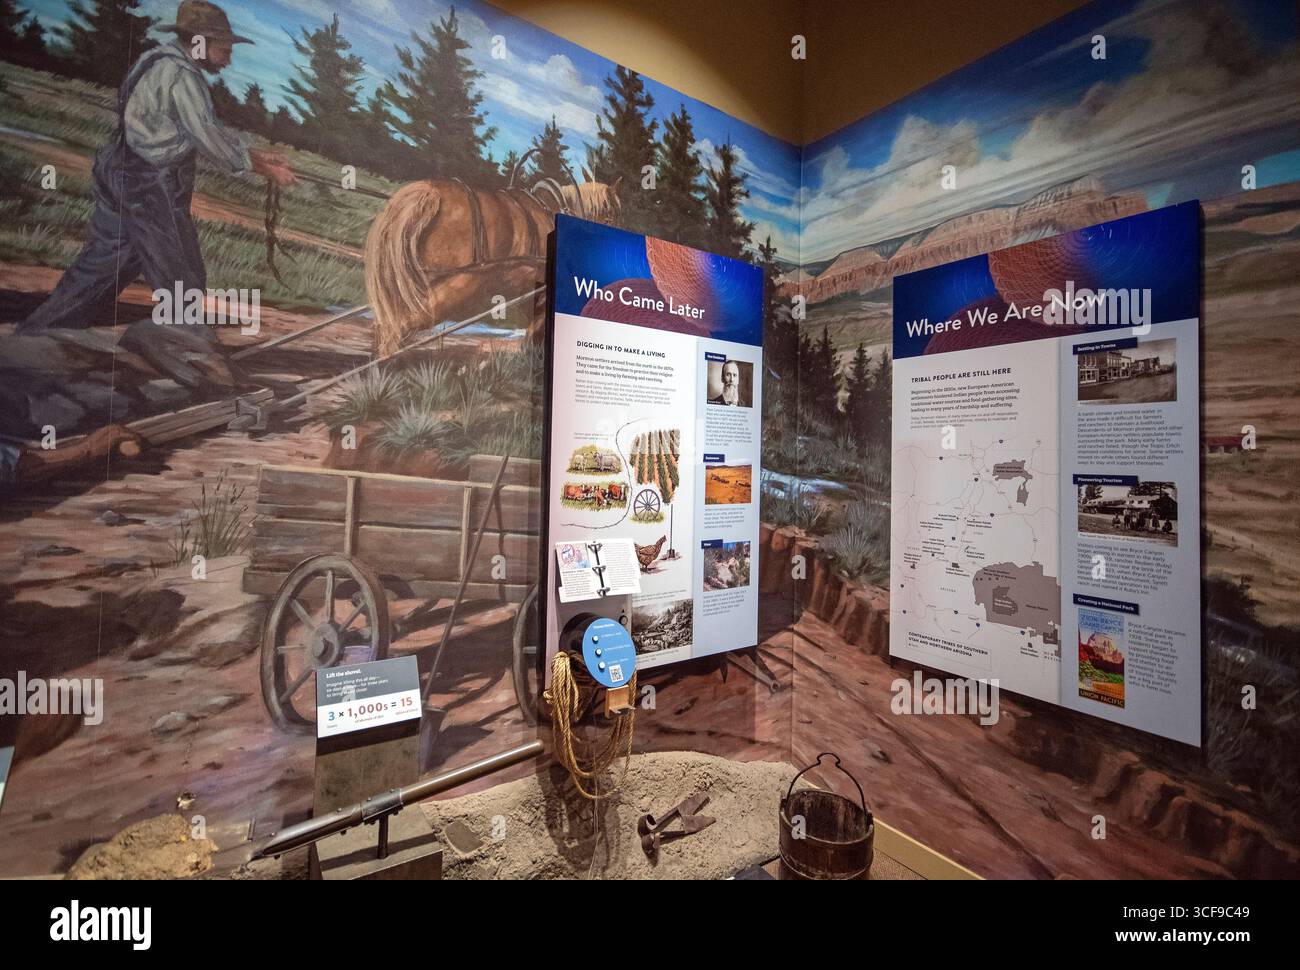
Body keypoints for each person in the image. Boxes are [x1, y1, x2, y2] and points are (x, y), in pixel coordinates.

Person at [18, 1, 295, 336]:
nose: (229, 58)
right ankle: (190, 351)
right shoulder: (182, 75)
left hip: (122, 169)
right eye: (224, 49)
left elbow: (193, 130)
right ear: (198, 42)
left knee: (106, 264)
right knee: (181, 273)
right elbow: (206, 136)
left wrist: (258, 157)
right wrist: (265, 170)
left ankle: (40, 331)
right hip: (148, 183)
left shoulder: (156, 62)